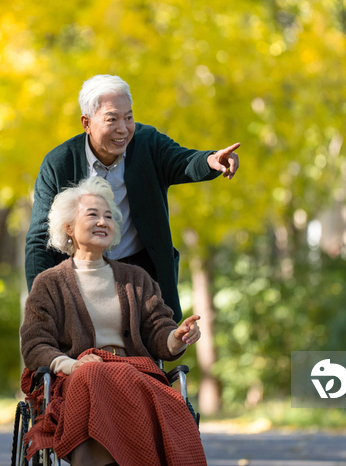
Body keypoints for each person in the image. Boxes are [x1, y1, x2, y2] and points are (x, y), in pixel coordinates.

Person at [20, 177, 206, 466]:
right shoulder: (49, 283)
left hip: (134, 374)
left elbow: (158, 328)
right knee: (91, 374)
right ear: (68, 227)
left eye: (108, 216)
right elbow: (34, 345)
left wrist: (176, 337)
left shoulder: (136, 279)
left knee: (100, 375)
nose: (103, 222)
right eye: (92, 214)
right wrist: (72, 365)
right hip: (78, 378)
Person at [25, 74, 240, 322]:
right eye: (112, 119)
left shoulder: (147, 143)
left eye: (129, 117)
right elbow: (39, 240)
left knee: (150, 350)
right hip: (81, 278)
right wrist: (40, 304)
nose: (123, 129)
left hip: (141, 277)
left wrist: (211, 160)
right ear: (86, 123)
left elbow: (183, 161)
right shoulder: (59, 163)